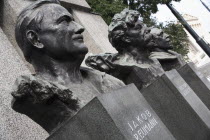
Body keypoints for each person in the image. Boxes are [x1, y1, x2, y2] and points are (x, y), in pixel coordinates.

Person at [12, 0, 124, 133]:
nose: (79, 27)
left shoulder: (111, 82)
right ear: (36, 39)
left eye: (73, 20)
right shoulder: (33, 95)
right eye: (64, 21)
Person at [85, 8, 185, 89]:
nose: (146, 29)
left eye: (143, 25)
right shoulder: (125, 66)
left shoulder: (153, 60)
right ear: (126, 38)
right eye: (138, 28)